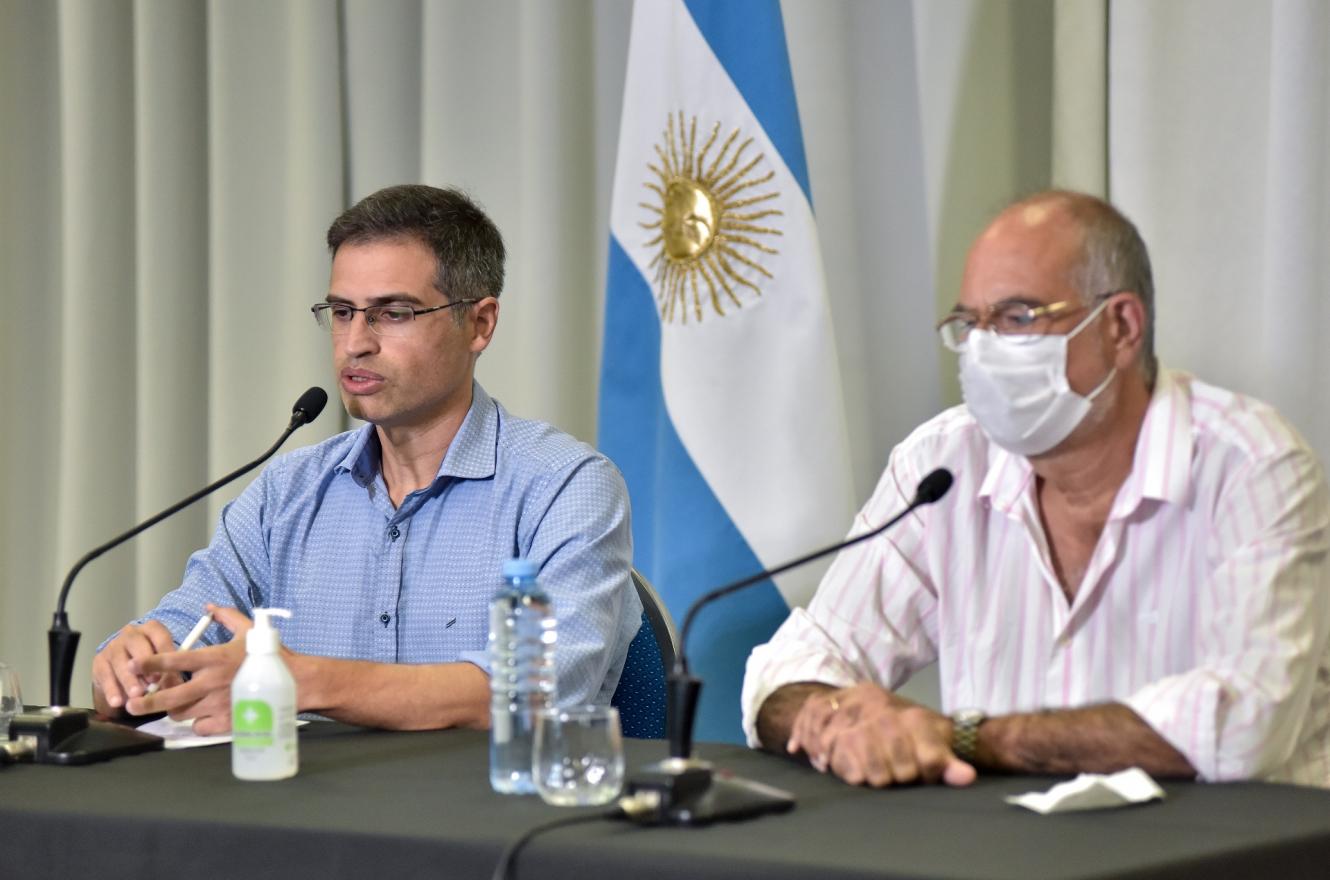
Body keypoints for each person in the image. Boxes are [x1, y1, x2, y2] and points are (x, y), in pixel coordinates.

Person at [742, 190, 1330, 788]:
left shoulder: (1252, 466)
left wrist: (963, 736)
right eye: (969, 324)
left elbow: (1244, 725)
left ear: (1122, 327)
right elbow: (793, 662)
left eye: (1017, 317)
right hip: (1013, 856)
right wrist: (832, 720)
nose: (983, 349)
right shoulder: (943, 465)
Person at [92, 184, 641, 734]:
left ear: (480, 324)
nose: (355, 342)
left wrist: (305, 680)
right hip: (298, 810)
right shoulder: (287, 491)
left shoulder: (565, 487)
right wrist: (136, 663)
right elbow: (186, 629)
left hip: (482, 814)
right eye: (342, 312)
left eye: (393, 313)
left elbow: (538, 691)